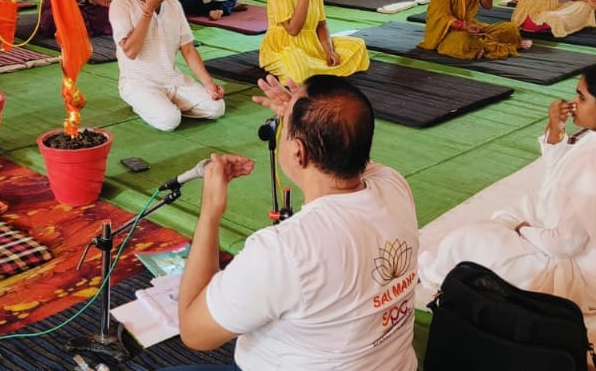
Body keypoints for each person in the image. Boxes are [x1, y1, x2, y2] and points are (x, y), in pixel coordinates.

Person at [174, 75, 419, 371]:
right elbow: (344, 144)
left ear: (298, 152)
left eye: (284, 128)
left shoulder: (285, 250)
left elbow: (194, 332)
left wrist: (210, 211)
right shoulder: (393, 185)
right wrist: (302, 117)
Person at [419, 64, 596, 314]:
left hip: (592, 273)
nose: (573, 103)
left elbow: (566, 244)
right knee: (512, 213)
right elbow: (561, 175)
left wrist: (523, 229)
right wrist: (556, 129)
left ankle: (439, 269)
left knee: (464, 240)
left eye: (582, 97)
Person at [109, 0, 224, 131]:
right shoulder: (121, 4)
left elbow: (188, 49)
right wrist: (148, 9)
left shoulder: (173, 4)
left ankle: (165, 104)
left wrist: (208, 83)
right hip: (139, 82)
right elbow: (130, 52)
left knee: (216, 107)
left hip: (173, 80)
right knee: (170, 120)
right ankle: (142, 103)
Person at [260, 0, 369, 84]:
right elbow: (293, 30)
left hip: (312, 43)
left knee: (358, 46)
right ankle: (318, 70)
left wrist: (329, 51)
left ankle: (318, 68)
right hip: (285, 46)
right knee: (299, 70)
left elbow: (321, 24)